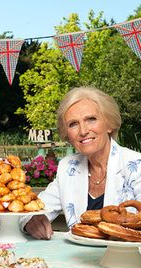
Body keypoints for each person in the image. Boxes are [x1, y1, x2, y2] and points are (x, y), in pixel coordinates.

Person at [20, 86, 141, 240]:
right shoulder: (68, 167)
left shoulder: (136, 165)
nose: (83, 131)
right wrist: (30, 221)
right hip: (79, 260)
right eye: (73, 124)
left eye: (91, 119)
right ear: (67, 134)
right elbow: (28, 210)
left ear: (109, 124)